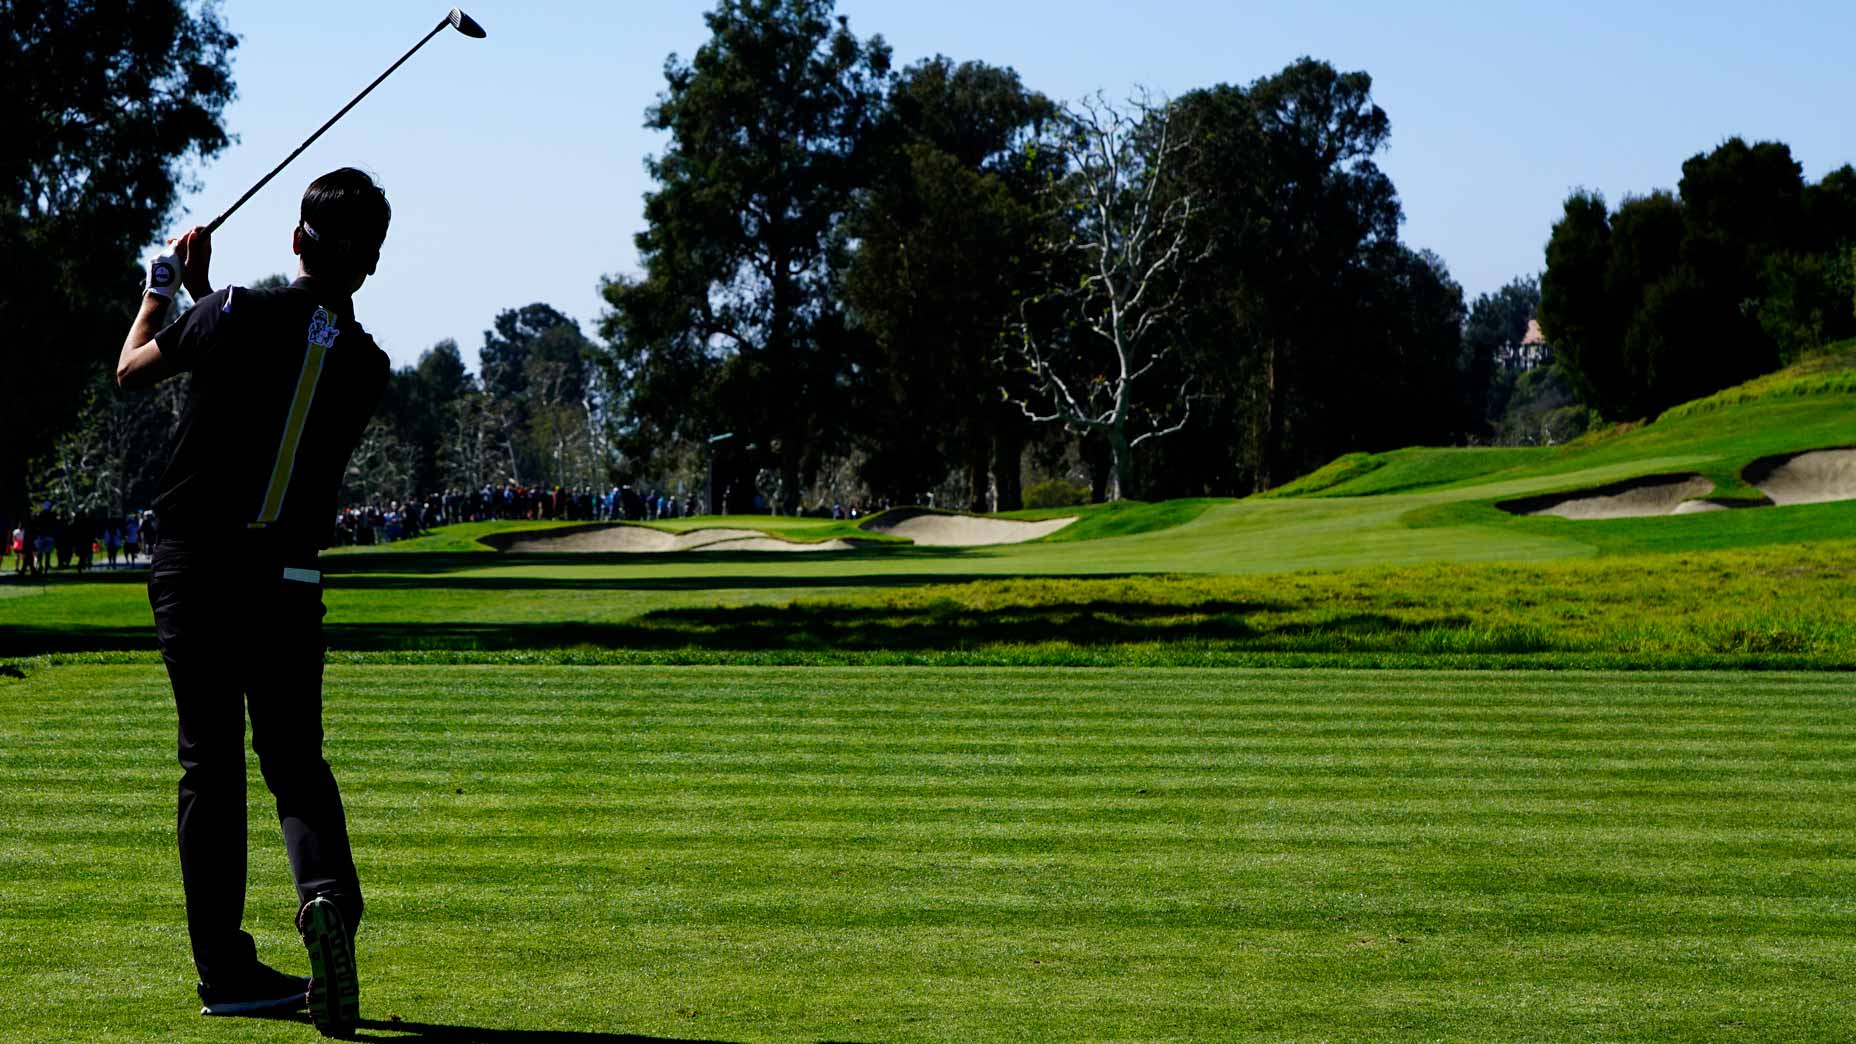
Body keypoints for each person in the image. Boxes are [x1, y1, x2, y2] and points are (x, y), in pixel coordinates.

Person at [116, 167, 390, 1037]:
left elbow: (134, 370)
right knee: (295, 762)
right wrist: (202, 296)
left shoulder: (230, 310)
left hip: (197, 565)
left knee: (212, 762)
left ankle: (225, 970)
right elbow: (287, 368)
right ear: (372, 262)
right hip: (288, 576)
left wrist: (161, 291)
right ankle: (324, 902)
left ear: (297, 238)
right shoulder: (367, 365)